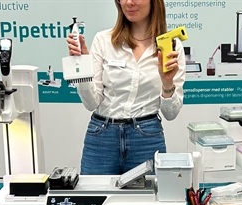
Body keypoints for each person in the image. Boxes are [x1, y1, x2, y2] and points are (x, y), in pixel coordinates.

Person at [67, 0, 186, 175]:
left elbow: (171, 113)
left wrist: (167, 83)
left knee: (148, 194)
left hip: (146, 138)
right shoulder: (104, 40)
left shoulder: (170, 46)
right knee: (94, 193)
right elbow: (91, 103)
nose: (129, 2)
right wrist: (83, 66)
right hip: (102, 137)